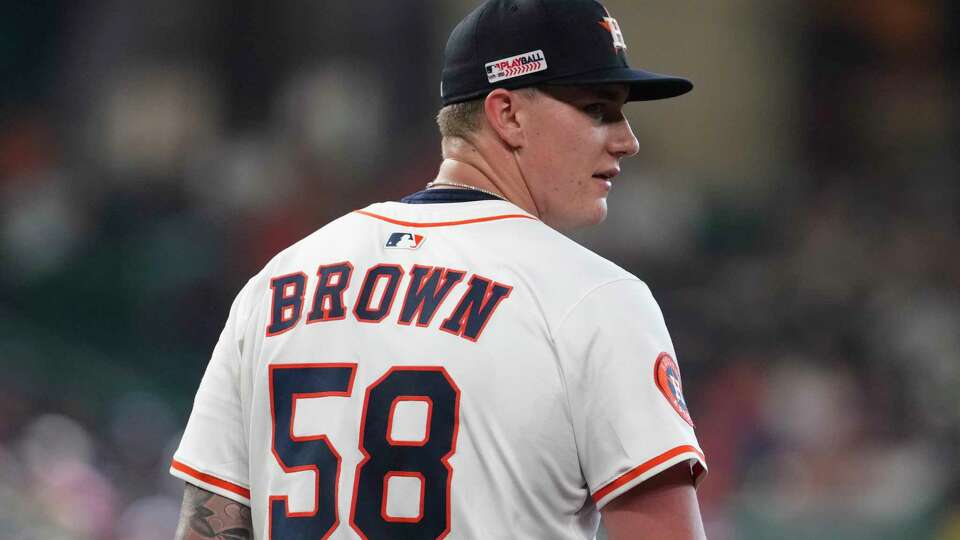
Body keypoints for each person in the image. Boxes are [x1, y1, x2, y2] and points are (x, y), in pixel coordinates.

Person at [171, 0, 707, 538]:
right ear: (508, 114)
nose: (627, 140)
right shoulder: (595, 297)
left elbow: (208, 526)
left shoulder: (276, 282)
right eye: (597, 109)